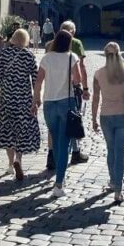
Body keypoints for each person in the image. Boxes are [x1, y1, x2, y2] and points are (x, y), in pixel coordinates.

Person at [0, 28, 40, 180]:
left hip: (7, 98)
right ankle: (19, 159)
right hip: (23, 99)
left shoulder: (4, 54)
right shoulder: (29, 55)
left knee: (8, 130)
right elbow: (35, 79)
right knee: (22, 130)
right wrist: (36, 99)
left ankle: (10, 165)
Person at [34, 30, 81, 197]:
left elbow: (38, 81)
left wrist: (36, 99)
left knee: (55, 140)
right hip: (66, 102)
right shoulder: (71, 57)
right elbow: (77, 80)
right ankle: (59, 183)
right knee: (65, 143)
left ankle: (59, 175)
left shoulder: (47, 57)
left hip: (49, 104)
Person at [44, 21, 89, 167]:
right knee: (73, 120)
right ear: (72, 32)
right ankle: (75, 153)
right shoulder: (76, 43)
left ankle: (51, 156)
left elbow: (45, 69)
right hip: (69, 91)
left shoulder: (49, 44)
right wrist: (85, 88)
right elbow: (81, 67)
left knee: (52, 127)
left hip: (50, 92)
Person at [91, 42, 124, 204]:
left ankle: (113, 180)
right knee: (120, 152)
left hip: (106, 116)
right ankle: (118, 190)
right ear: (119, 54)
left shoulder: (98, 74)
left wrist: (93, 118)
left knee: (111, 150)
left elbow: (95, 99)